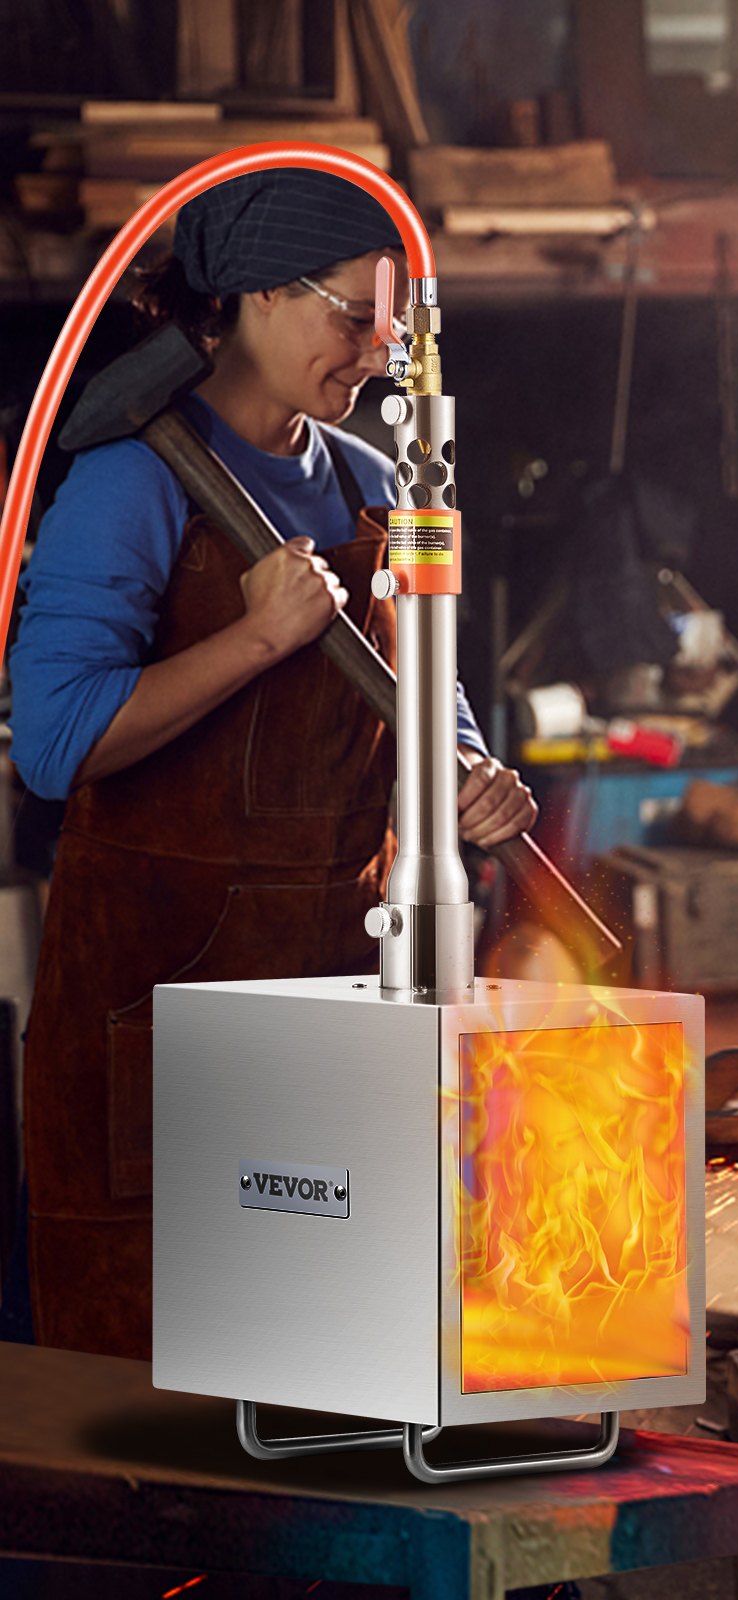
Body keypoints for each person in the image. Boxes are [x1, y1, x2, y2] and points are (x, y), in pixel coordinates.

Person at [9, 170, 536, 1359]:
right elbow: (53, 745)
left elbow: (422, 681)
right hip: (156, 1010)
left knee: (335, 1369)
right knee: (150, 1411)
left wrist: (465, 767)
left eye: (389, 324)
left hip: (337, 995)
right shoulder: (131, 477)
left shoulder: (370, 481)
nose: (374, 349)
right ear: (253, 295)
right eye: (351, 314)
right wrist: (256, 638)